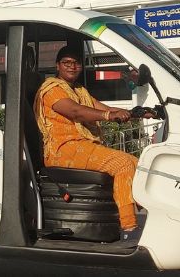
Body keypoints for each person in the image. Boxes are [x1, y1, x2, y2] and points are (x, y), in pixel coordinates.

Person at [35, 46, 140, 234]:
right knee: (122, 163)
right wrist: (108, 115)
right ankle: (129, 225)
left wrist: (136, 113)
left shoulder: (79, 90)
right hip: (62, 149)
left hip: (82, 145)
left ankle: (145, 212)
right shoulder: (51, 89)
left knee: (137, 163)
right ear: (57, 65)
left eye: (76, 63)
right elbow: (76, 111)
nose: (72, 66)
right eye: (67, 63)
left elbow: (103, 108)